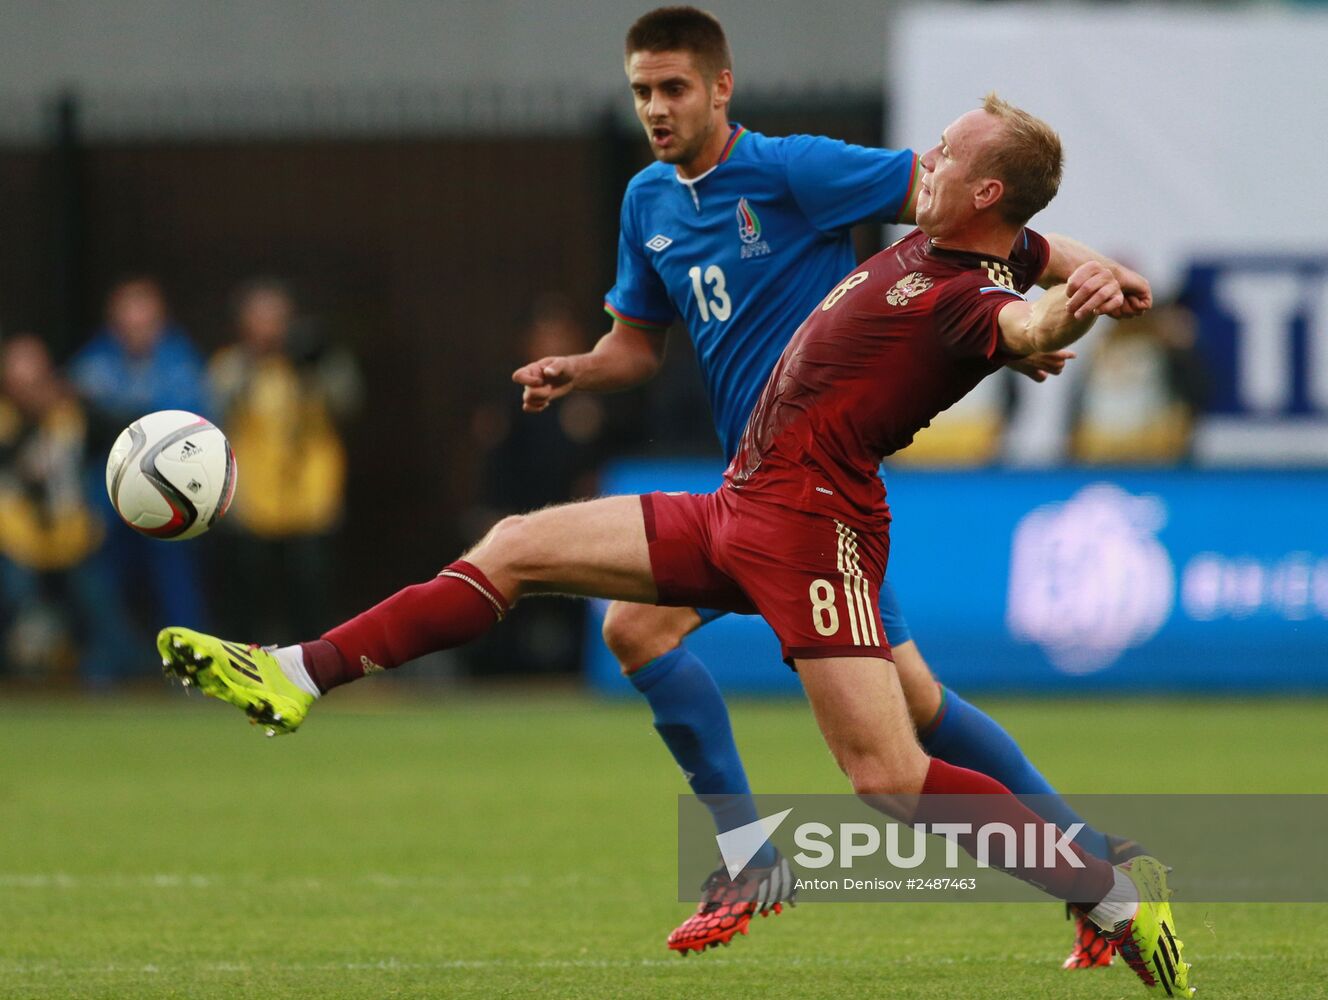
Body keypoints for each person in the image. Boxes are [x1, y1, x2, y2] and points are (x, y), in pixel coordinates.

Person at [156, 93, 1191, 996]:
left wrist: (1067, 313)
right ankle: (297, 673)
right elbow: (1035, 247)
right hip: (741, 501)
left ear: (978, 192)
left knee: (887, 772)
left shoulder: (975, 298)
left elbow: (1025, 328)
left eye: (948, 154)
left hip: (812, 529)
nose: (928, 159)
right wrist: (1092, 267)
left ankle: (1101, 893)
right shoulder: (958, 240)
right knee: (514, 547)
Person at [511, 6, 1140, 963]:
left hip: (816, 485)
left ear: (722, 85)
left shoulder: (794, 169)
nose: (654, 106)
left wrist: (1095, 284)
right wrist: (579, 371)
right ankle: (1089, 865)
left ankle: (757, 856)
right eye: (642, 89)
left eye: (673, 87)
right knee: (916, 703)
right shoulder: (649, 199)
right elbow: (635, 348)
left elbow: (991, 230)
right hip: (758, 479)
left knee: (652, 633)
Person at [209, 278, 362, 643]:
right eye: (259, 319)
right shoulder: (232, 365)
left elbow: (349, 402)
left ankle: (313, 665)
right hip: (252, 501)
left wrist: (315, 364)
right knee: (247, 592)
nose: (269, 329)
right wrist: (252, 363)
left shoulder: (316, 360)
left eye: (276, 318)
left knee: (310, 589)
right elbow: (215, 408)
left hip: (310, 498)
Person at [70, 276, 211, 631]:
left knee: (174, 565)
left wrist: (122, 416)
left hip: (170, 485)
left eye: (144, 322)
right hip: (108, 484)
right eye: (126, 322)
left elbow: (187, 421)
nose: (135, 330)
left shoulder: (179, 357)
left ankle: (188, 649)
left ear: (160, 320)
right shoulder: (97, 358)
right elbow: (73, 410)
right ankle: (111, 655)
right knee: (97, 566)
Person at [0, 335, 136, 685]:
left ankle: (109, 676)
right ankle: (21, 680)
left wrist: (80, 394)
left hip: (73, 537)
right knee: (20, 609)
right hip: (16, 542)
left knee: (101, 609)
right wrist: (33, 420)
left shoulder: (73, 413)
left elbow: (127, 434)